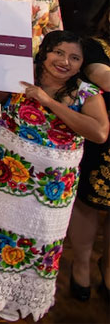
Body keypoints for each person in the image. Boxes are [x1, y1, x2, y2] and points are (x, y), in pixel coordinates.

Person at [0, 30, 109, 321]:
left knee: (37, 239)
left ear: (81, 65)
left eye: (74, 58)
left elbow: (100, 132)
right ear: (45, 52)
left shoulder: (85, 93)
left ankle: (20, 299)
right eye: (59, 53)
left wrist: (49, 102)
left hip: (49, 189)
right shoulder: (21, 75)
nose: (64, 62)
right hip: (4, 181)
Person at [69, 27, 110, 302]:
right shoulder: (96, 46)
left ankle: (108, 265)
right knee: (88, 202)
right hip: (101, 137)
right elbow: (104, 78)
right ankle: (81, 263)